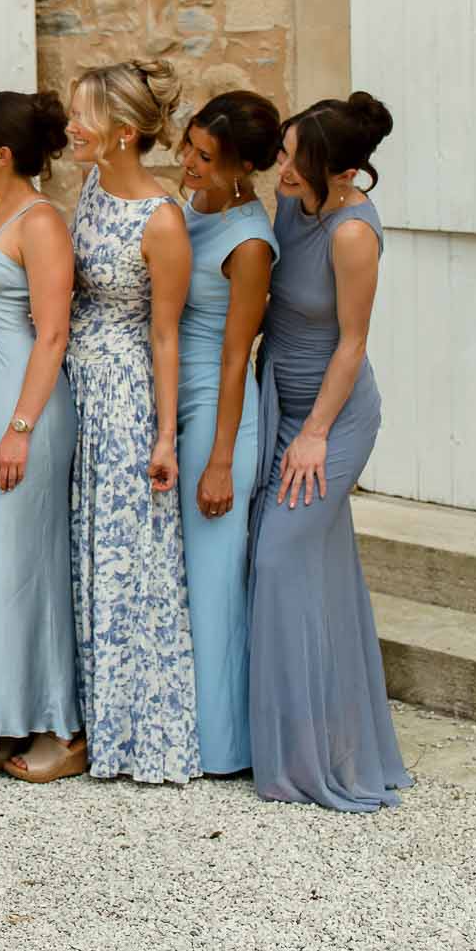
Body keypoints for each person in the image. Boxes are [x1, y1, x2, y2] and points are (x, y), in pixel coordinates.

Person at [249, 93, 410, 810]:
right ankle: (330, 736)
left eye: (293, 159)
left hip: (332, 418)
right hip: (276, 400)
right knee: (317, 568)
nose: (280, 168)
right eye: (281, 153)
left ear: (340, 171)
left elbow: (352, 342)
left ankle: (309, 758)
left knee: (279, 558)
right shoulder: (292, 203)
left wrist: (314, 433)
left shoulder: (351, 233)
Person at [65, 57, 199, 785]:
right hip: (73, 384)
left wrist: (163, 437)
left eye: (81, 114)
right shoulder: (88, 185)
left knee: (124, 556)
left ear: (120, 133)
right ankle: (89, 716)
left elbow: (166, 335)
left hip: (122, 396)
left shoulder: (161, 218)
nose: (69, 125)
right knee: (85, 547)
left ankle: (137, 732)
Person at [0, 91, 82, 785]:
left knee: (25, 568)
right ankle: (3, 712)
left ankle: (58, 726)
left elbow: (52, 332)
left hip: (21, 411)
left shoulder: (39, 222)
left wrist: (20, 430)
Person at [177, 92, 280, 776]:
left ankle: (224, 747)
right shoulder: (193, 206)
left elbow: (235, 355)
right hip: (175, 401)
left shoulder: (249, 242)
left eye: (202, 156)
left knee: (213, 586)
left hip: (218, 415)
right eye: (187, 144)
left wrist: (219, 463)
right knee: (183, 581)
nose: (185, 162)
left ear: (241, 166)